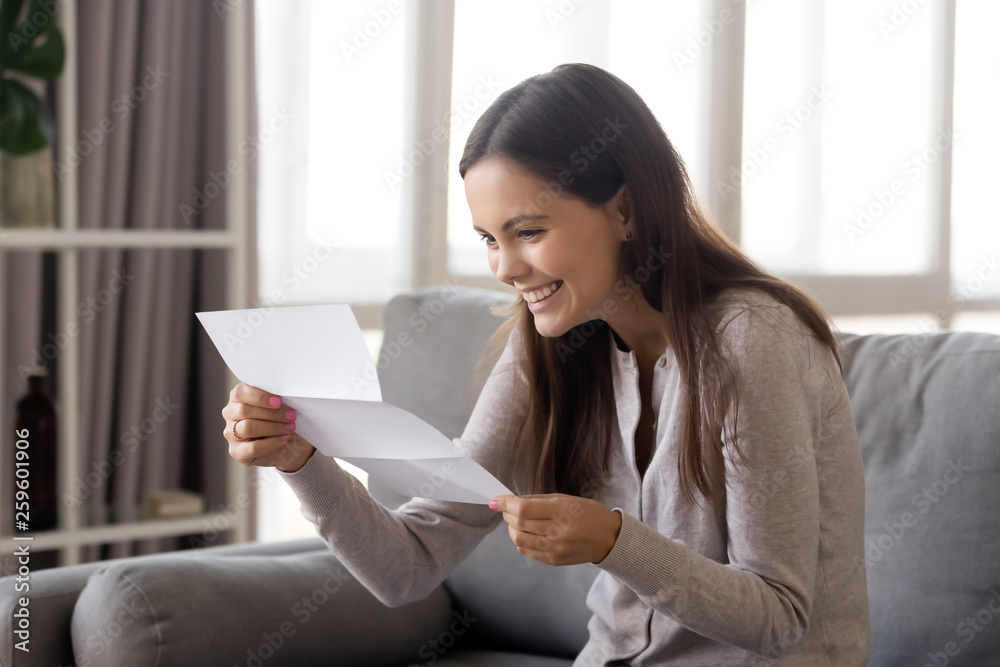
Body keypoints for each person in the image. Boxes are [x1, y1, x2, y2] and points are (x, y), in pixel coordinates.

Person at [222, 63, 870, 665]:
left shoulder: (752, 344)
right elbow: (408, 565)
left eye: (528, 231)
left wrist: (616, 541)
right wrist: (300, 461)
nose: (505, 268)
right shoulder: (543, 348)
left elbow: (780, 618)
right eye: (489, 240)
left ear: (624, 210)